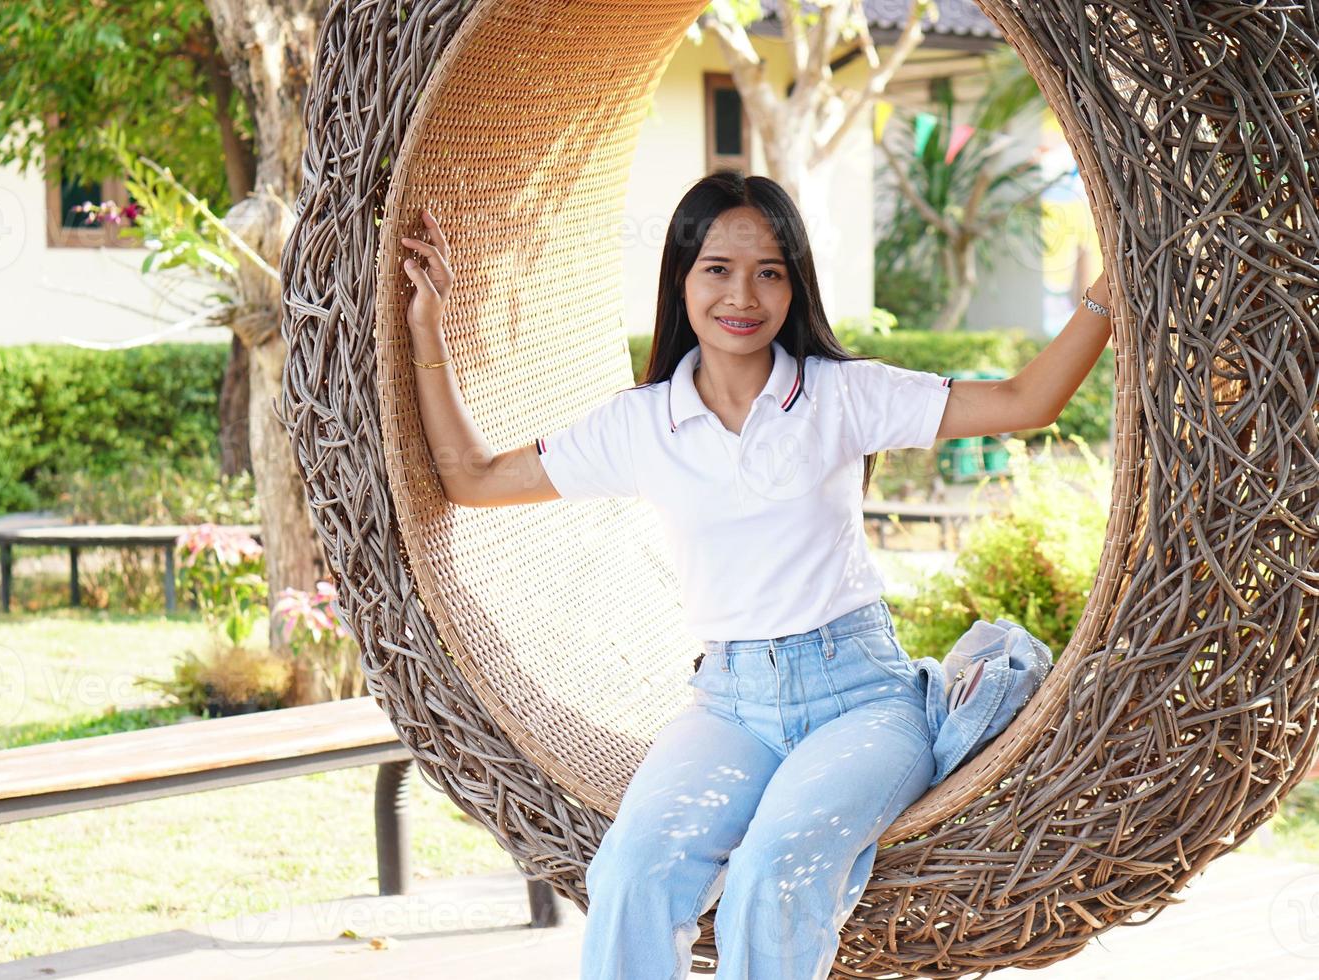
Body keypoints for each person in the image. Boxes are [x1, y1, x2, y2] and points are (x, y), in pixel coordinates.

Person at [399, 170, 1113, 979]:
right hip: (730, 706)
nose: (743, 294)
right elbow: (473, 479)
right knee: (630, 874)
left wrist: (1103, 291)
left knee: (774, 876)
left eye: (769, 271)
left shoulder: (842, 396)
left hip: (863, 702)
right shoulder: (643, 424)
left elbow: (1027, 401)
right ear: (680, 279)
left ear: (794, 284)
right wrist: (429, 330)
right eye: (718, 269)